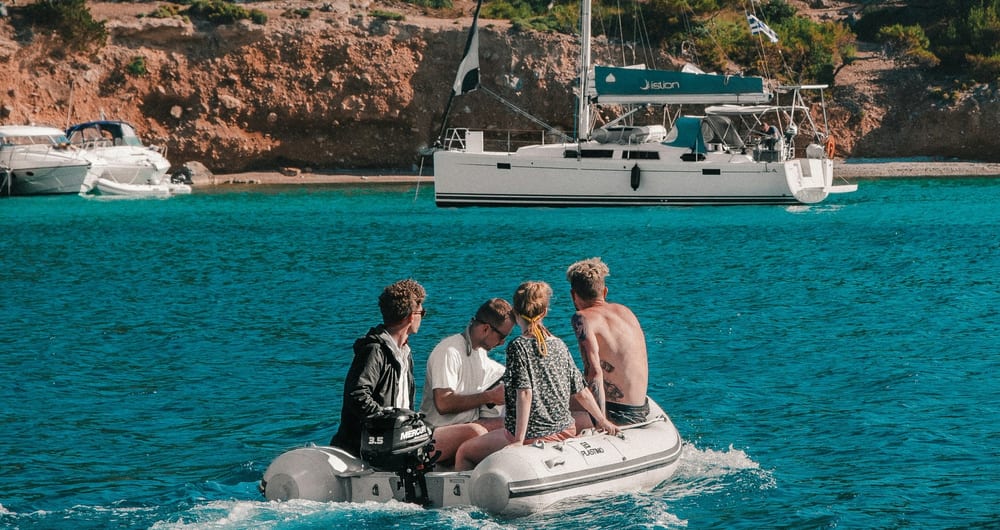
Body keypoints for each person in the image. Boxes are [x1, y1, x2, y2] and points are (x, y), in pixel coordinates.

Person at [454, 281, 618, 471]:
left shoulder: (518, 347)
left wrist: (519, 440)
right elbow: (581, 391)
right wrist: (602, 421)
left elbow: (524, 394)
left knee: (464, 452)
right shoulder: (558, 345)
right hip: (566, 430)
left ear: (515, 314)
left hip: (534, 435)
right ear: (545, 312)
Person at [330, 279, 426, 456]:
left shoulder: (404, 353)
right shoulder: (374, 351)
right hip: (365, 447)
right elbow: (357, 394)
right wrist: (387, 421)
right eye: (422, 312)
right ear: (411, 316)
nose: (422, 317)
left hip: (394, 445)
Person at [417, 298, 514, 466]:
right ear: (485, 329)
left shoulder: (480, 354)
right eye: (502, 336)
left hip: (467, 425)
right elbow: (443, 403)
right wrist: (489, 397)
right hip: (434, 433)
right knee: (475, 431)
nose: (503, 342)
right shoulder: (449, 351)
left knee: (516, 424)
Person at [567, 257, 650, 426]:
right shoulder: (625, 311)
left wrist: (601, 421)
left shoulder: (582, 319)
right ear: (604, 292)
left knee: (544, 404)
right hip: (640, 408)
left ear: (573, 295)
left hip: (615, 413)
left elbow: (594, 372)